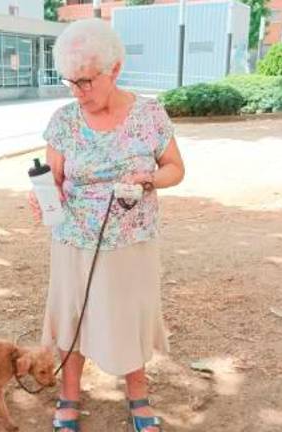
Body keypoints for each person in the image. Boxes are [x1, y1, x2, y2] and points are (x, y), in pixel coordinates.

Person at [28, 18, 186, 432]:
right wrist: (44, 195)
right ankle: (69, 395)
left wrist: (147, 178)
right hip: (74, 236)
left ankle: (138, 396)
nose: (78, 92)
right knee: (74, 316)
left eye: (85, 81)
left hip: (131, 237)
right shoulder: (63, 121)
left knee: (128, 315)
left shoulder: (149, 114)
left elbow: (175, 169)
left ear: (114, 70)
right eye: (70, 83)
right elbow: (54, 179)